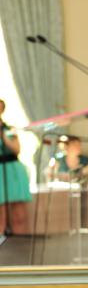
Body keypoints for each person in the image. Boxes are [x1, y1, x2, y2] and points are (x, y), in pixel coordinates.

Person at [0, 98, 31, 238]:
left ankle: (20, 243)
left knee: (19, 213)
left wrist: (3, 136)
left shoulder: (9, 129)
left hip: (13, 170)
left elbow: (16, 149)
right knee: (1, 213)